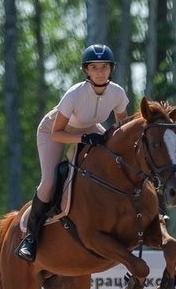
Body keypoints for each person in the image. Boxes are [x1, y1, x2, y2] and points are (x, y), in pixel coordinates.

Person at [15, 44, 130, 262]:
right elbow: (58, 132)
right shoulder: (74, 94)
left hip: (89, 128)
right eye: (94, 67)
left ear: (111, 69)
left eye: (104, 67)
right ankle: (31, 236)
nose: (100, 72)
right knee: (48, 182)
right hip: (54, 131)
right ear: (86, 70)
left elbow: (122, 127)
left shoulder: (117, 93)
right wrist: (83, 139)